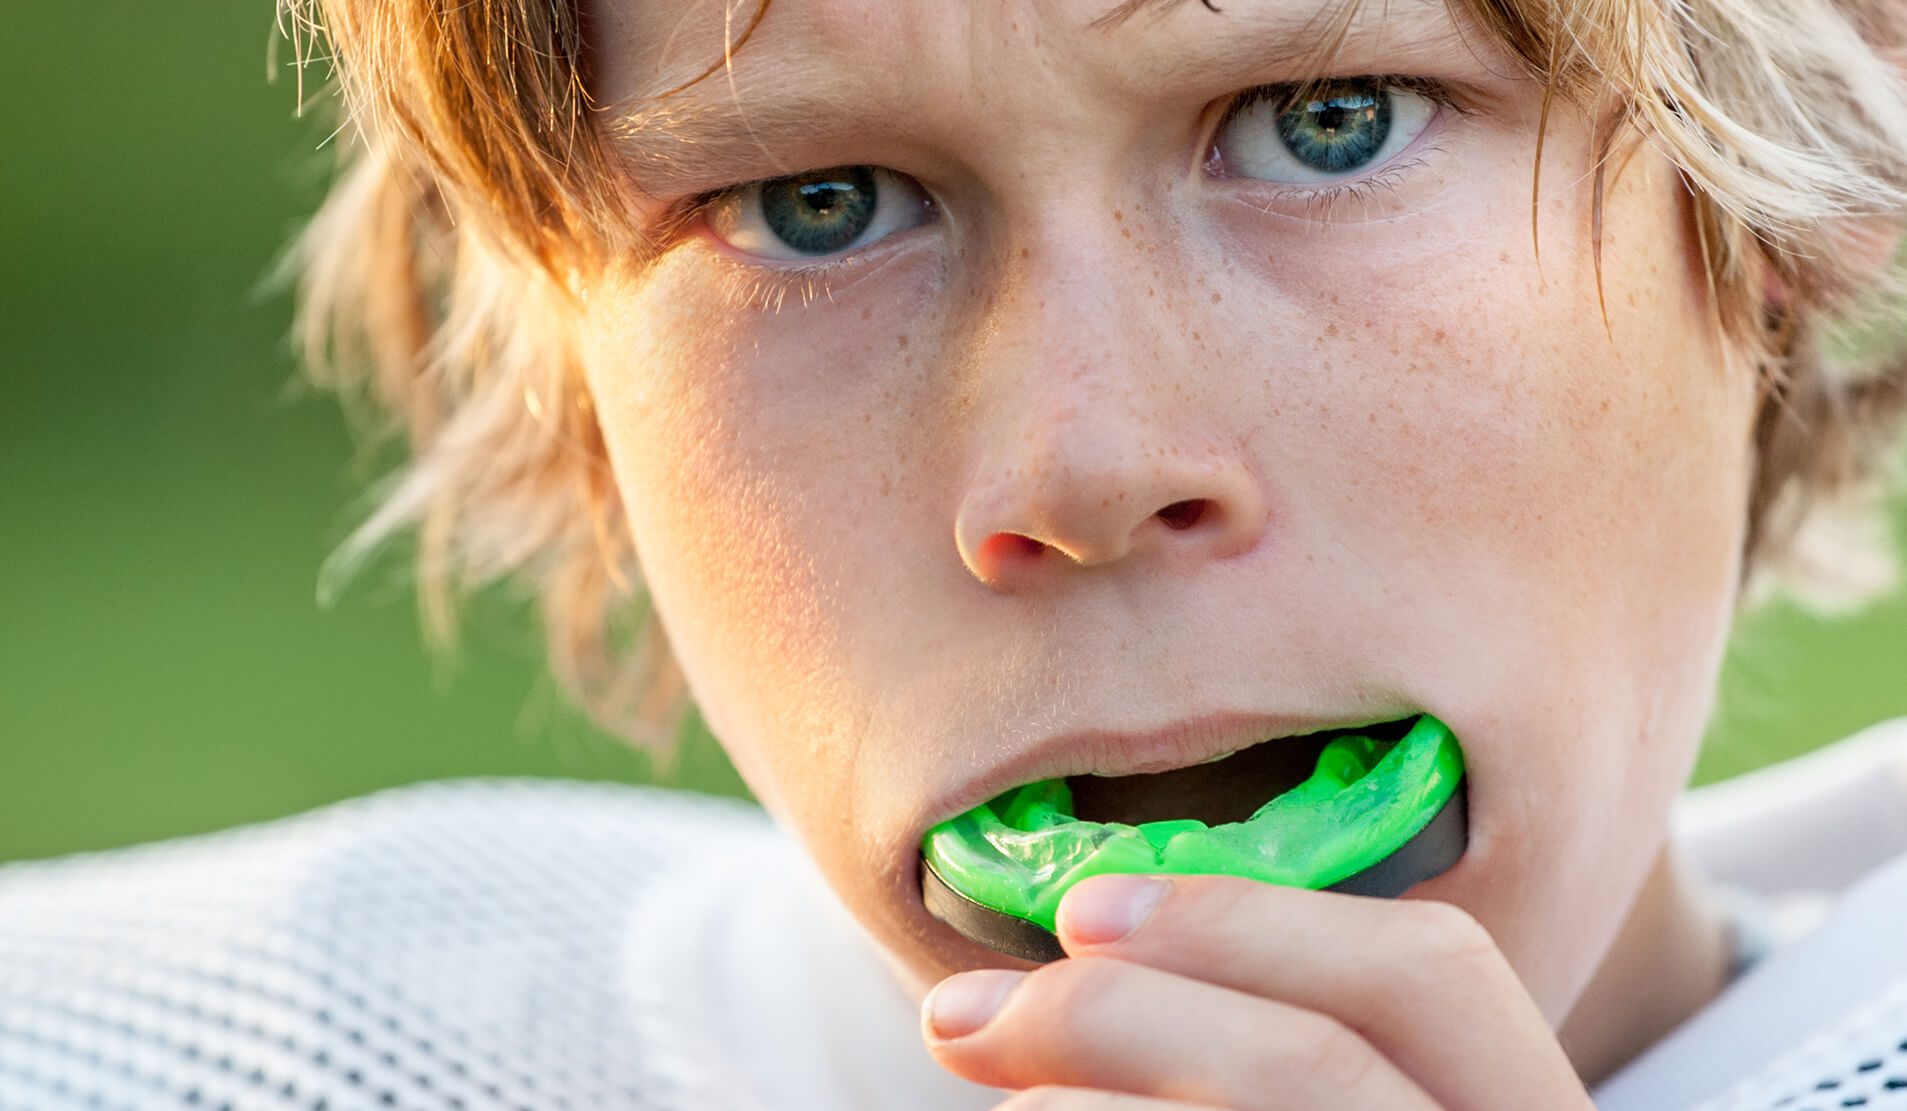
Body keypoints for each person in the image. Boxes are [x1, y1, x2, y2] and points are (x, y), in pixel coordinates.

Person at [4, 0, 1907, 1107]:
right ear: (569, 383)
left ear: (1793, 173)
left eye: (1325, 125)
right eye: (818, 206)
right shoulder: (185, 1052)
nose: (1081, 463)